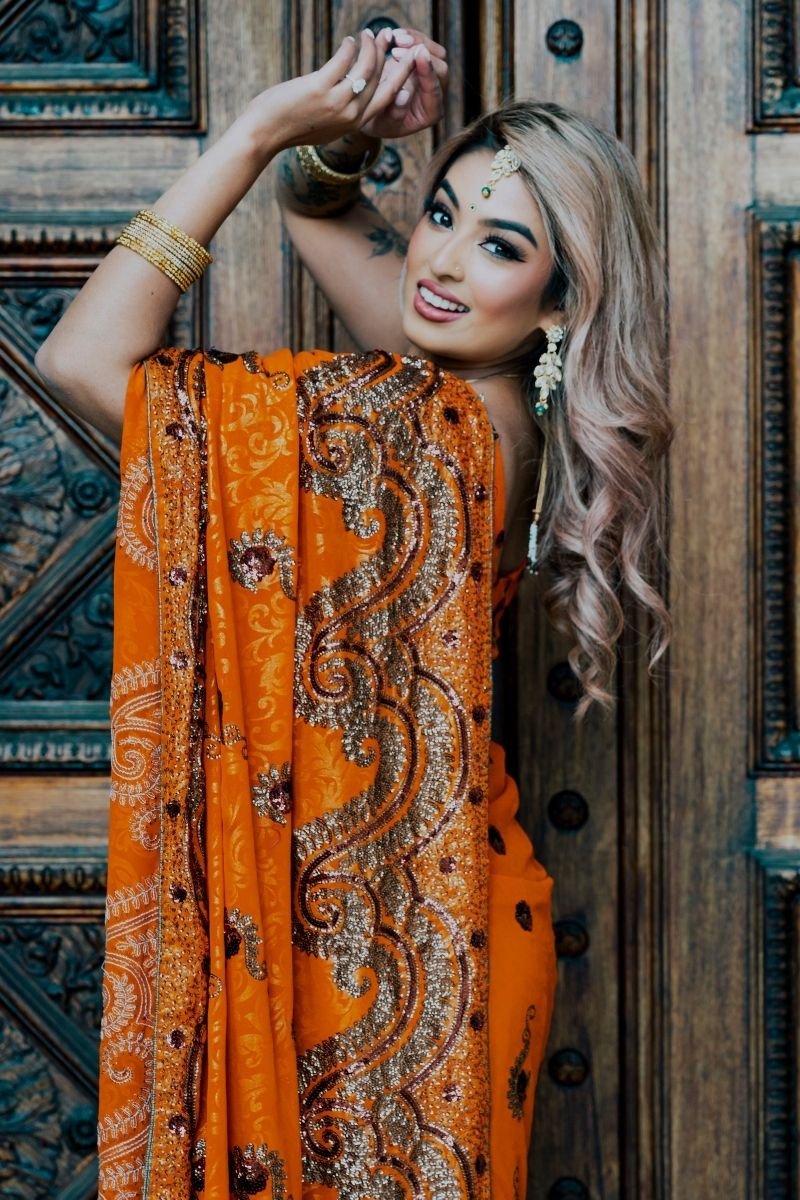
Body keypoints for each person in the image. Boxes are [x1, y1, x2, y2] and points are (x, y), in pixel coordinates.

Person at [36, 26, 671, 1200]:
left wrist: (256, 131)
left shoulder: (405, 439)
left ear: (559, 302)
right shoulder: (481, 404)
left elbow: (82, 361)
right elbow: (326, 217)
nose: (441, 262)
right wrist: (334, 155)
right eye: (439, 214)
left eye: (499, 246)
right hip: (432, 918)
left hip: (387, 945)